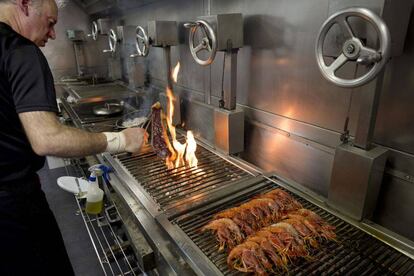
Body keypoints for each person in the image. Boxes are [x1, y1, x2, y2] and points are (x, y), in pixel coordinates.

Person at [0, 0, 147, 275]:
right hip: (12, 206)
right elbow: (47, 140)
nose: (53, 34)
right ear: (24, 3)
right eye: (51, 22)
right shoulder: (20, 51)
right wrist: (121, 141)